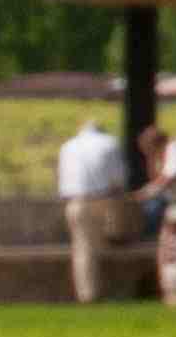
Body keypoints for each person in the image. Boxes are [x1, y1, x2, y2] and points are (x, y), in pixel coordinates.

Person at [53, 119, 131, 303]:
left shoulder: (68, 146)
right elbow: (119, 178)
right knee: (110, 246)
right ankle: (107, 292)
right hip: (106, 200)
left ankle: (89, 294)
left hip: (76, 202)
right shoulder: (110, 143)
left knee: (84, 250)